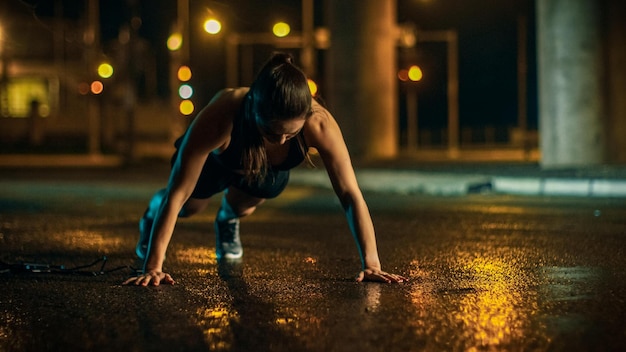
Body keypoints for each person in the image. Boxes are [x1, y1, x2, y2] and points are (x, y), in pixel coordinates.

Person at [123, 52, 407, 286]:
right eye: (272, 133)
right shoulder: (223, 114)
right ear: (254, 110)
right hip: (216, 163)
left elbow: (350, 194)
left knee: (247, 204)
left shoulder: (320, 124)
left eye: (290, 134)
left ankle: (227, 219)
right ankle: (151, 212)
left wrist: (371, 264)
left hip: (260, 173)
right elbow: (178, 193)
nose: (282, 140)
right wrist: (153, 267)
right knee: (189, 207)